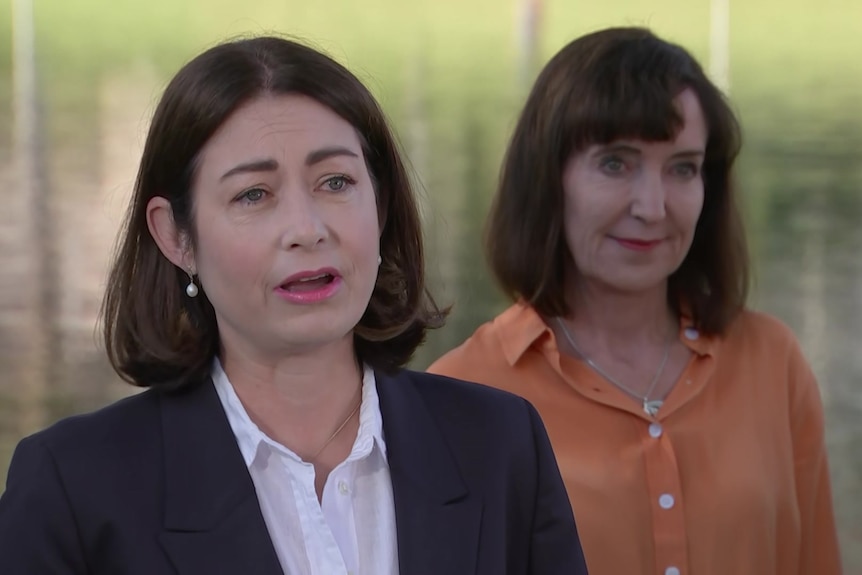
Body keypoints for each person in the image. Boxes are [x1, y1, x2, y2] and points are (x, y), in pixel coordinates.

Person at [0, 36, 588, 575]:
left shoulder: (500, 444)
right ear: (176, 236)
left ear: (380, 207)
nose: (306, 229)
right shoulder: (72, 489)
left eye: (335, 182)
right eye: (253, 194)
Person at [429, 27, 842, 575]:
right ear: (549, 180)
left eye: (683, 168)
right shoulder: (460, 396)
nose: (653, 207)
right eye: (615, 164)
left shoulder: (773, 361)